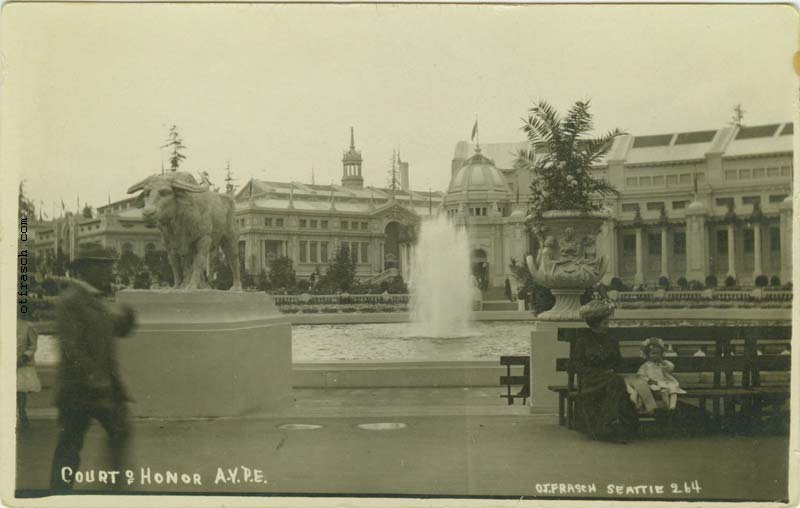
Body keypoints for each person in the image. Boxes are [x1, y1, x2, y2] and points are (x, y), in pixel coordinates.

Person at [50, 249, 137, 491]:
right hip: (79, 389)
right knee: (70, 446)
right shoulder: (70, 301)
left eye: (109, 266)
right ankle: (58, 495)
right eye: (103, 267)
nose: (109, 271)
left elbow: (117, 330)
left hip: (104, 387)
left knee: (119, 432)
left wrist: (128, 318)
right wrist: (93, 378)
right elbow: (71, 348)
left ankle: (113, 489)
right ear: (85, 270)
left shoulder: (97, 298)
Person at [575, 299, 639, 443]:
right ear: (595, 323)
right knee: (616, 383)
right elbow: (577, 365)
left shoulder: (611, 340)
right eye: (605, 323)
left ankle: (609, 425)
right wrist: (596, 372)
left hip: (610, 378)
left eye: (607, 322)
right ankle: (611, 425)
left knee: (616, 382)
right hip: (591, 379)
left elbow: (618, 362)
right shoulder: (583, 340)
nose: (607, 326)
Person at [638, 338, 686, 411]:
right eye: (653, 353)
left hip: (664, 382)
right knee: (663, 392)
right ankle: (667, 407)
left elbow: (670, 368)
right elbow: (641, 375)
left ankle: (672, 406)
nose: (656, 356)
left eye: (658, 353)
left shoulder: (662, 363)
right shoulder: (646, 365)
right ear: (648, 355)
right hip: (653, 383)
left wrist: (663, 362)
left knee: (673, 390)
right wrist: (647, 380)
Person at [17, 316, 42, 430]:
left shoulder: (28, 326)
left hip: (21, 363)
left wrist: (25, 357)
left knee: (19, 391)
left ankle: (22, 414)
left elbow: (33, 345)